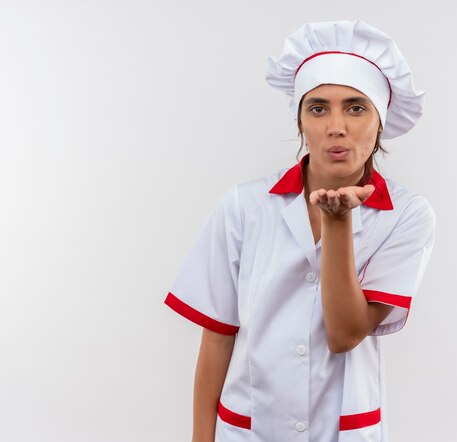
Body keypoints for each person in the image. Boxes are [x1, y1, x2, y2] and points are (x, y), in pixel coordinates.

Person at [164, 19, 436, 442]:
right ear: (300, 122)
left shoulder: (407, 215)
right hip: (247, 431)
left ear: (380, 122)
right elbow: (218, 337)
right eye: (318, 107)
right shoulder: (244, 206)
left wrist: (338, 221)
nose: (336, 126)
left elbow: (345, 333)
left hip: (341, 431)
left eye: (356, 107)